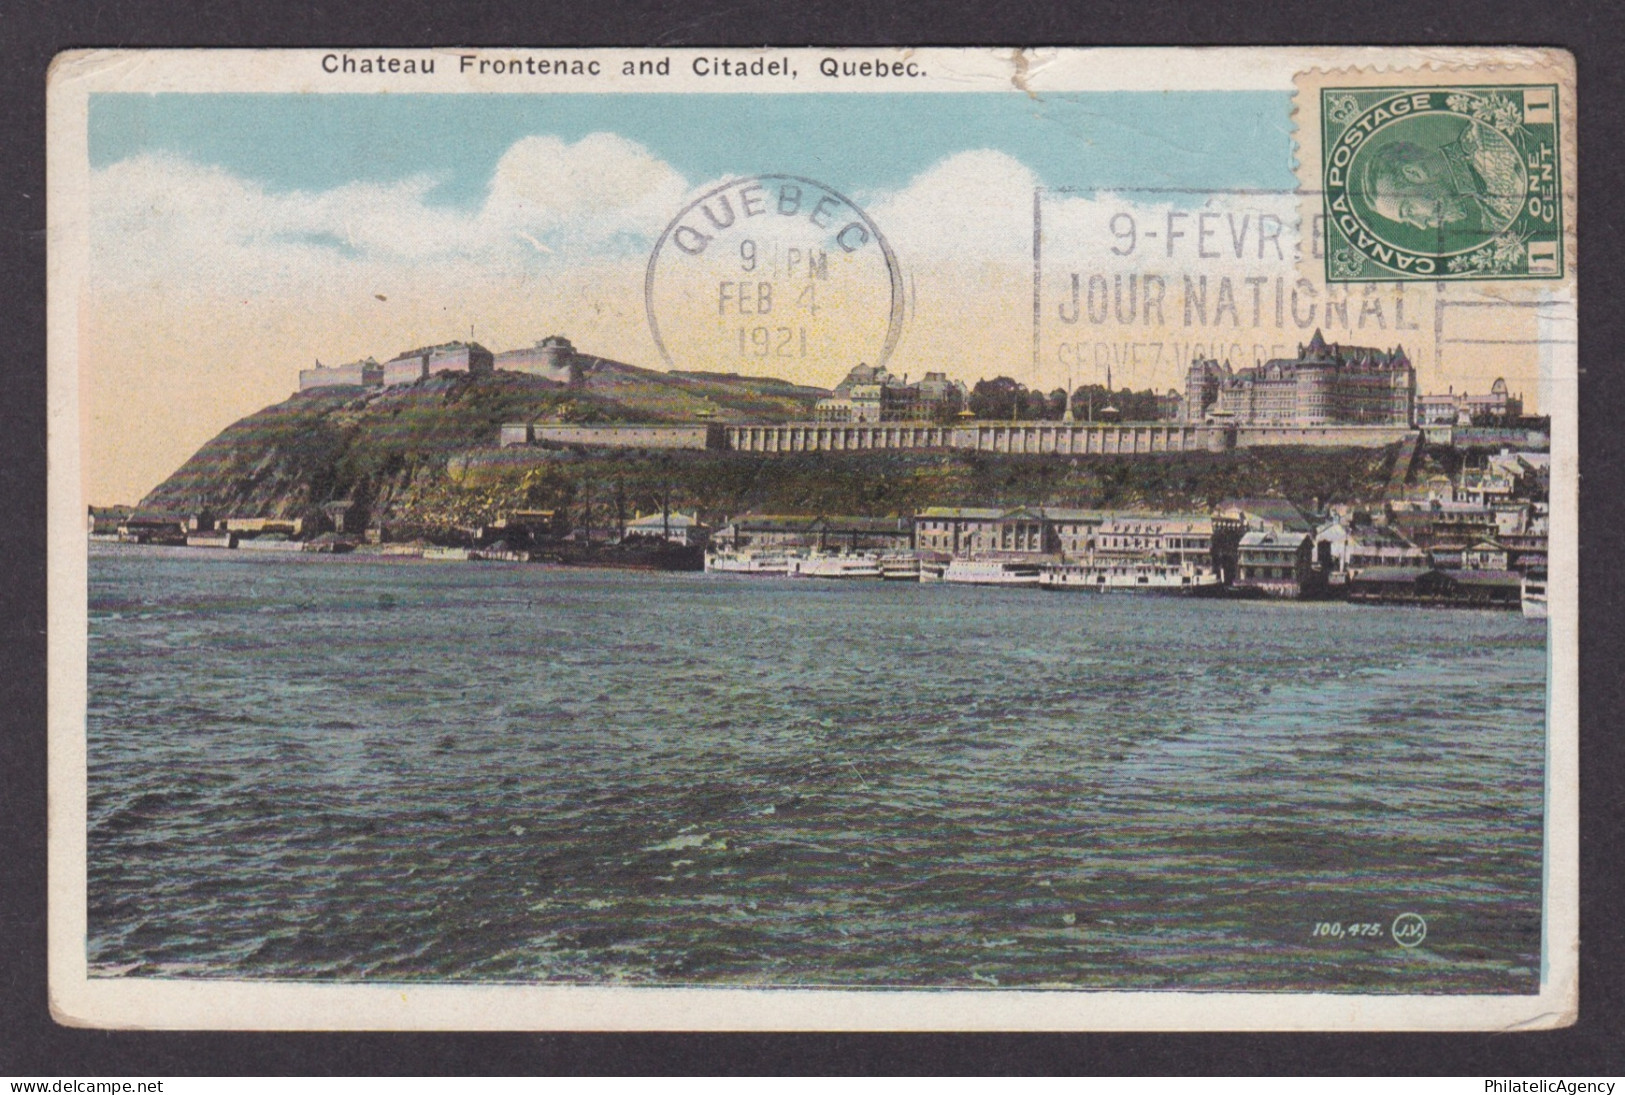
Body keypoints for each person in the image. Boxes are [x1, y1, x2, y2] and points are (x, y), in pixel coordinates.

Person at [1360, 119, 1525, 237]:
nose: (1421, 224)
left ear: (1415, 173)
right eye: (1410, 221)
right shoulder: (1493, 219)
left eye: (1409, 210)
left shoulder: (1490, 135)